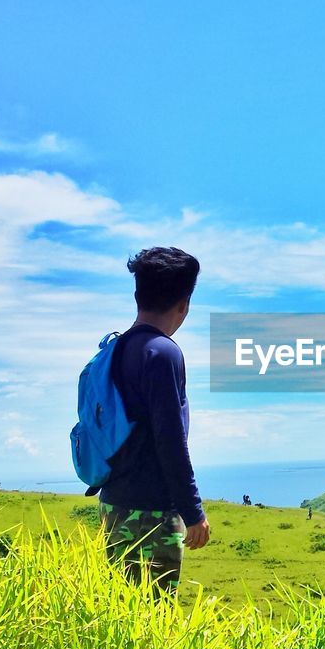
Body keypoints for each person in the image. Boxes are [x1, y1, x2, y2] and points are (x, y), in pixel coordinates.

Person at [97, 247, 209, 597]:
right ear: (184, 302)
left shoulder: (117, 348)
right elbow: (170, 440)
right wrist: (193, 512)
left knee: (121, 611)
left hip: (114, 502)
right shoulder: (164, 353)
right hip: (151, 512)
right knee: (155, 617)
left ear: (137, 295)